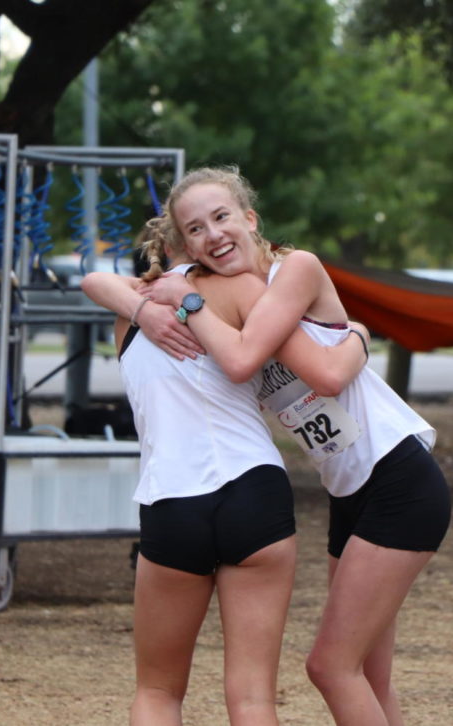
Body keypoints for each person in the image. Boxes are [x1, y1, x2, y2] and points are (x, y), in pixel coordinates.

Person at [139, 166, 452, 726]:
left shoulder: (295, 269)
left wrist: (188, 302)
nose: (213, 235)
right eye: (196, 229)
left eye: (222, 217)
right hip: (348, 488)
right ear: (182, 244)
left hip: (398, 477)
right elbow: (104, 284)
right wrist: (145, 305)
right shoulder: (226, 301)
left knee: (331, 667)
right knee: (367, 677)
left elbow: (316, 376)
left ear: (249, 218)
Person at [82, 231, 369, 726]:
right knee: (253, 699)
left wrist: (143, 307)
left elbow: (95, 280)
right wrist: (359, 336)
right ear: (187, 246)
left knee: (156, 691)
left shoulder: (129, 316)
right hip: (252, 488)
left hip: (171, 497)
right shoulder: (242, 292)